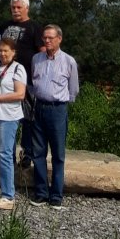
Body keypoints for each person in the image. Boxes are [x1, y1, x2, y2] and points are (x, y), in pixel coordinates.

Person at [30, 25, 79, 210]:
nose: (47, 41)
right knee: (38, 153)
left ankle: (56, 195)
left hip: (57, 110)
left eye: (50, 38)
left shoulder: (69, 61)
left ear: (59, 39)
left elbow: (73, 89)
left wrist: (62, 104)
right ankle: (41, 193)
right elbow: (33, 85)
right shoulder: (37, 59)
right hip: (39, 108)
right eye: (45, 38)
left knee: (58, 155)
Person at [0, 0, 44, 168]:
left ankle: (27, 153)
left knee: (28, 119)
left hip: (27, 80)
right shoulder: (4, 26)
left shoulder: (34, 27)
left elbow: (41, 52)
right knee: (7, 117)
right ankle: (5, 152)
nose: (15, 10)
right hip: (5, 78)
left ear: (26, 8)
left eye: (19, 7)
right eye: (13, 7)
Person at [0, 37, 27, 211]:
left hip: (8, 116)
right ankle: (5, 191)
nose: (3, 54)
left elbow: (20, 94)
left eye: (6, 51)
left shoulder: (18, 69)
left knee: (5, 154)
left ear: (13, 52)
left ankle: (8, 196)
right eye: (0, 50)